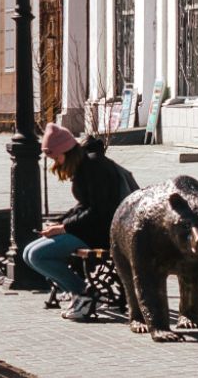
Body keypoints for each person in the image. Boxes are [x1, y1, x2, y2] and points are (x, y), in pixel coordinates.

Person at [23, 123, 139, 320]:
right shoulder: (85, 165)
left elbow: (99, 210)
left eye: (56, 157)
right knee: (27, 253)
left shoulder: (94, 167)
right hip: (89, 229)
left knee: (37, 255)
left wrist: (64, 227)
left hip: (102, 232)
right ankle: (76, 291)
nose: (56, 163)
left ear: (66, 150)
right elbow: (84, 205)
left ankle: (85, 293)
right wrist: (60, 221)